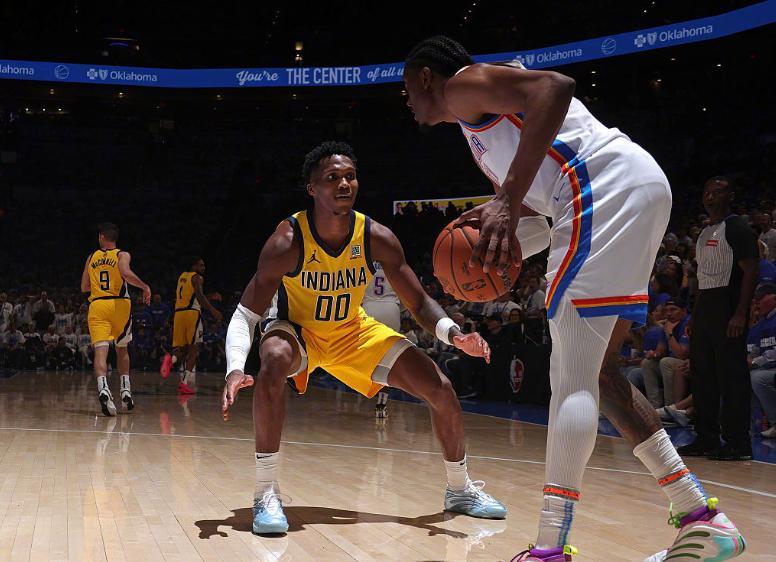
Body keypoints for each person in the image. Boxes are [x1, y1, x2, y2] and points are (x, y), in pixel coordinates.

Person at [402, 36, 743, 561]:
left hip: (601, 186)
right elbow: (544, 218)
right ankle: (702, 517)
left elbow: (555, 87)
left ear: (426, 76)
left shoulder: (462, 85)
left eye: (407, 88)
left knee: (570, 378)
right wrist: (495, 233)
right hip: (626, 187)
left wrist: (507, 198)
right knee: (599, 376)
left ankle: (549, 549)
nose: (406, 101)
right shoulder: (481, 124)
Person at [221, 142, 506, 535]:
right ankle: (265, 492)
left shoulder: (376, 237)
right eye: (332, 178)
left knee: (440, 387)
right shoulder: (287, 241)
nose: (344, 184)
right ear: (311, 188)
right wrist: (235, 368)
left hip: (352, 332)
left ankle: (459, 490)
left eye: (350, 176)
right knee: (272, 358)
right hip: (299, 331)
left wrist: (454, 335)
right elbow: (246, 314)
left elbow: (418, 302)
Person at [683, 177, 758, 461]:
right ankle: (706, 438)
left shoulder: (738, 227)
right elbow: (702, 279)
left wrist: (740, 312)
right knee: (702, 375)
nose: (710, 196)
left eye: (717, 192)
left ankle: (738, 443)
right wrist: (694, 315)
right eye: (707, 191)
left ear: (730, 196)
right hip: (705, 307)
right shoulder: (704, 232)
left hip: (728, 305)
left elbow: (751, 271)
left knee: (731, 377)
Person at [81, 222, 151, 416]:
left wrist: (98, 284)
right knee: (122, 348)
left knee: (100, 352)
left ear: (101, 237)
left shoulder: (91, 257)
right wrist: (144, 286)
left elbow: (84, 287)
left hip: (97, 306)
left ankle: (103, 389)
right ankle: (125, 390)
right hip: (119, 305)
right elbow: (126, 274)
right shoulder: (122, 255)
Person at [160, 257, 223, 394]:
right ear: (193, 266)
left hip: (179, 314)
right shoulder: (197, 278)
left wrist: (209, 296)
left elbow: (192, 296)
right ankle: (184, 384)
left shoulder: (182, 277)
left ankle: (171, 359)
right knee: (194, 350)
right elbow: (199, 297)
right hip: (191, 314)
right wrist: (213, 310)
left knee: (183, 349)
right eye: (201, 265)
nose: (203, 268)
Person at [362, 259, 401, 418]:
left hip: (369, 307)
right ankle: (382, 403)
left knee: (365, 358)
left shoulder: (363, 260)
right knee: (387, 361)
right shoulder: (395, 262)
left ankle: (365, 385)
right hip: (391, 308)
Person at [748, 283, 776, 439]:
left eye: (761, 298)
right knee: (741, 375)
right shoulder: (761, 324)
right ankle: (753, 424)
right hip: (768, 367)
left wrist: (754, 362)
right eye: (755, 299)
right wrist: (747, 361)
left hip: (771, 368)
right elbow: (755, 350)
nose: (756, 302)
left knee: (758, 378)